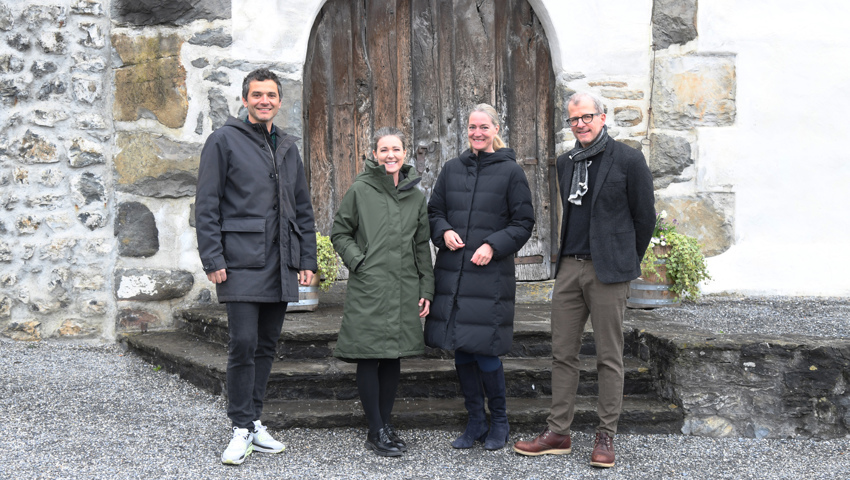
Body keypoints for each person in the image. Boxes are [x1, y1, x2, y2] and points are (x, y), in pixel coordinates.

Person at [512, 92, 655, 468]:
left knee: (609, 356)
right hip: (570, 270)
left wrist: (625, 261)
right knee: (563, 354)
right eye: (574, 119)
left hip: (609, 272)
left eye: (587, 117)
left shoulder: (628, 159)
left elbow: (645, 218)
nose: (580, 124)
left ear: (602, 118)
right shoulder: (565, 162)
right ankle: (558, 431)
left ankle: (606, 435)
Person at [195, 68, 317, 466]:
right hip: (240, 261)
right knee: (243, 343)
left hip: (280, 261)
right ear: (245, 99)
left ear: (280, 101)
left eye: (271, 95)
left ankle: (254, 421)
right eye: (257, 95)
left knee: (266, 345)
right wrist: (212, 259)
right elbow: (207, 205)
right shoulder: (223, 140)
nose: (264, 101)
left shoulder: (287, 145)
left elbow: (302, 207)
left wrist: (306, 259)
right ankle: (239, 427)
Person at [425, 103, 535, 451]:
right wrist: (442, 231)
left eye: (483, 127)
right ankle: (475, 422)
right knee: (461, 349)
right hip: (454, 274)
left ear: (495, 128)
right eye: (472, 127)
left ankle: (499, 422)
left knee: (486, 351)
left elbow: (523, 223)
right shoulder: (451, 169)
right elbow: (435, 211)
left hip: (488, 275)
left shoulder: (511, 172)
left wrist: (492, 244)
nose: (477, 133)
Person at [330, 127, 435, 457]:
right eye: (384, 149)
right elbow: (340, 231)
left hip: (404, 287)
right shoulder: (360, 190)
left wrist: (426, 289)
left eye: (396, 149)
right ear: (374, 154)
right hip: (370, 287)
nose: (391, 155)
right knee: (370, 354)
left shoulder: (416, 196)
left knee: (393, 356)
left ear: (405, 154)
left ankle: (384, 425)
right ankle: (375, 429)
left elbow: (421, 246)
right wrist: (359, 263)